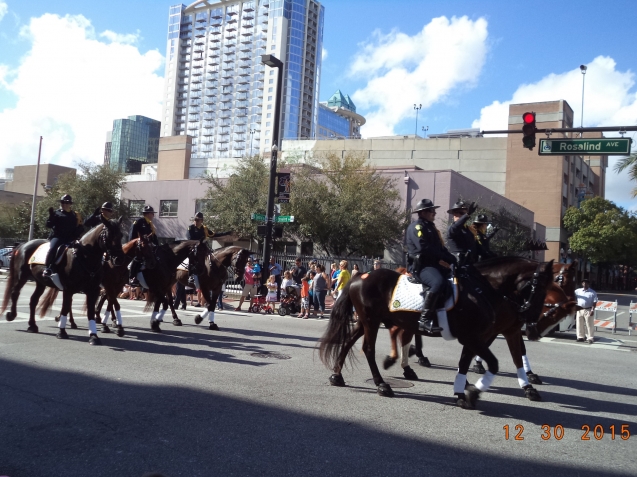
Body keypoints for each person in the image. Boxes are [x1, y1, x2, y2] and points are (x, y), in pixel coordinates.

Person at [405, 198, 457, 333]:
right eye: (431, 210)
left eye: (434, 210)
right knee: (437, 282)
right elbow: (424, 248)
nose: (434, 213)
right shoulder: (417, 227)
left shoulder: (431, 228)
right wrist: (444, 257)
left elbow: (440, 248)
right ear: (422, 213)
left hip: (432, 265)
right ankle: (424, 320)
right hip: (421, 266)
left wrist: (454, 259)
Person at [43, 194, 84, 278]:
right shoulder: (56, 213)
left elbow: (80, 227)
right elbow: (49, 225)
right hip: (58, 237)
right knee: (53, 248)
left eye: (67, 203)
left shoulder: (76, 215)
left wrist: (77, 232)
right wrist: (51, 217)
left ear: (70, 204)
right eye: (62, 202)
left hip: (71, 238)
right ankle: (48, 267)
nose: (64, 204)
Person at [186, 212, 231, 283]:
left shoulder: (204, 229)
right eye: (195, 220)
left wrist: (226, 233)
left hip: (203, 247)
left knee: (212, 256)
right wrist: (199, 241)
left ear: (202, 221)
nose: (196, 221)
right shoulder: (191, 228)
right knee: (192, 255)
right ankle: (191, 275)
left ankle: (212, 272)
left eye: (198, 220)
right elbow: (190, 238)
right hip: (193, 246)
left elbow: (214, 235)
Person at [128, 205, 158, 286]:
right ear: (147, 214)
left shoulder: (150, 224)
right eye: (152, 214)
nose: (153, 215)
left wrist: (158, 246)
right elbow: (132, 236)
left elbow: (154, 238)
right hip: (138, 246)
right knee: (137, 258)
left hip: (148, 247)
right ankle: (132, 277)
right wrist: (135, 246)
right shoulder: (138, 222)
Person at [446, 200, 479, 266]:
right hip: (457, 264)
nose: (464, 216)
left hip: (470, 263)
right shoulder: (452, 229)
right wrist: (467, 215)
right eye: (461, 213)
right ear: (454, 214)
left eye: (465, 213)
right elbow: (456, 227)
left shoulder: (469, 230)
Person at [574, 279, 598, 343]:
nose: (585, 284)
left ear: (588, 284)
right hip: (579, 309)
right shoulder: (578, 291)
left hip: (588, 309)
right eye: (583, 283)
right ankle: (580, 337)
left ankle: (590, 338)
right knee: (579, 324)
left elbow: (594, 302)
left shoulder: (592, 292)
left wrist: (592, 310)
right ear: (582, 284)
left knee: (589, 324)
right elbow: (573, 297)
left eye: (586, 283)